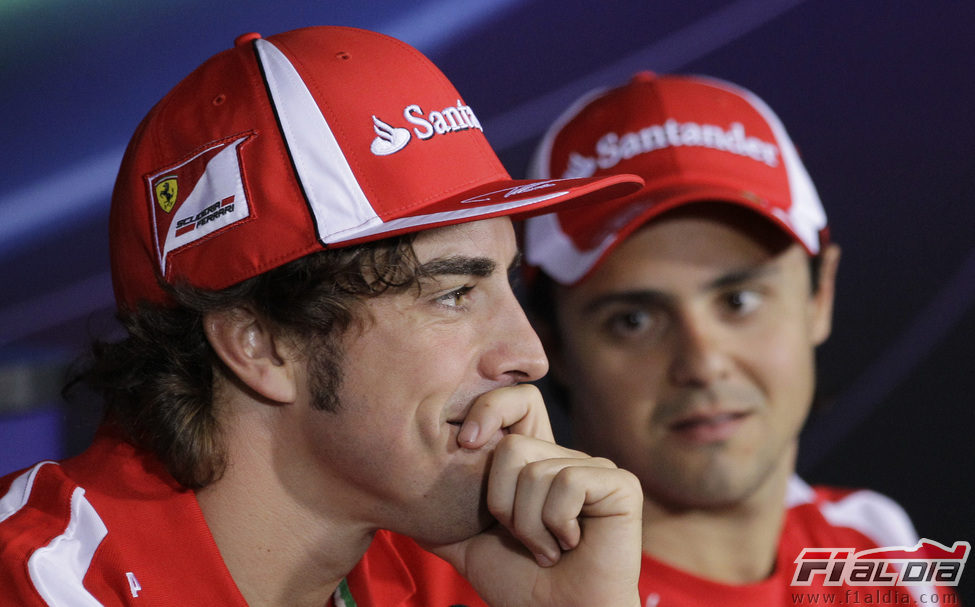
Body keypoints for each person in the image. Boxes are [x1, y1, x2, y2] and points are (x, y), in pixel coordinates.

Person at [0, 26, 648, 607]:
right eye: (454, 293)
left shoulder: (470, 567)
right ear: (261, 344)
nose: (529, 355)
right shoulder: (37, 582)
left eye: (506, 283)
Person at [522, 72, 963, 606]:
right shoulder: (450, 588)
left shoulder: (882, 552)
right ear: (553, 344)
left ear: (819, 296)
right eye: (633, 320)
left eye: (739, 301)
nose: (703, 363)